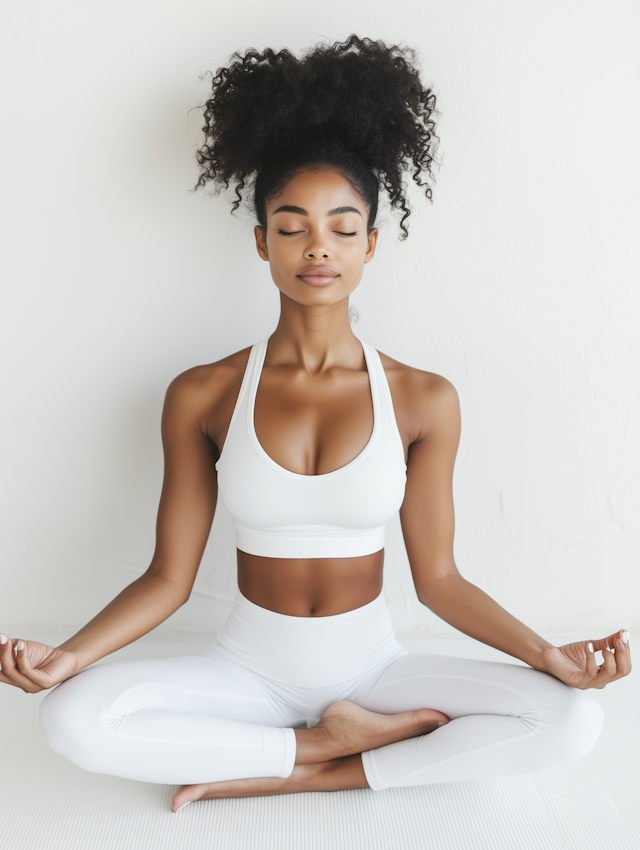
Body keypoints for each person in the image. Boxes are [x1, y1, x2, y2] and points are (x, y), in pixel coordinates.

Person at [0, 36, 630, 814]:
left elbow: (439, 581)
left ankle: (303, 770)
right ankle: (323, 744)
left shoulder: (423, 397)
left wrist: (548, 656)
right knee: (70, 717)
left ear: (370, 242)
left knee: (572, 719)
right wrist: (66, 658)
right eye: (292, 226)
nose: (317, 247)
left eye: (341, 225)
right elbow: (168, 578)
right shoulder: (203, 393)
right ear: (262, 242)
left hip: (374, 668)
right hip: (245, 666)